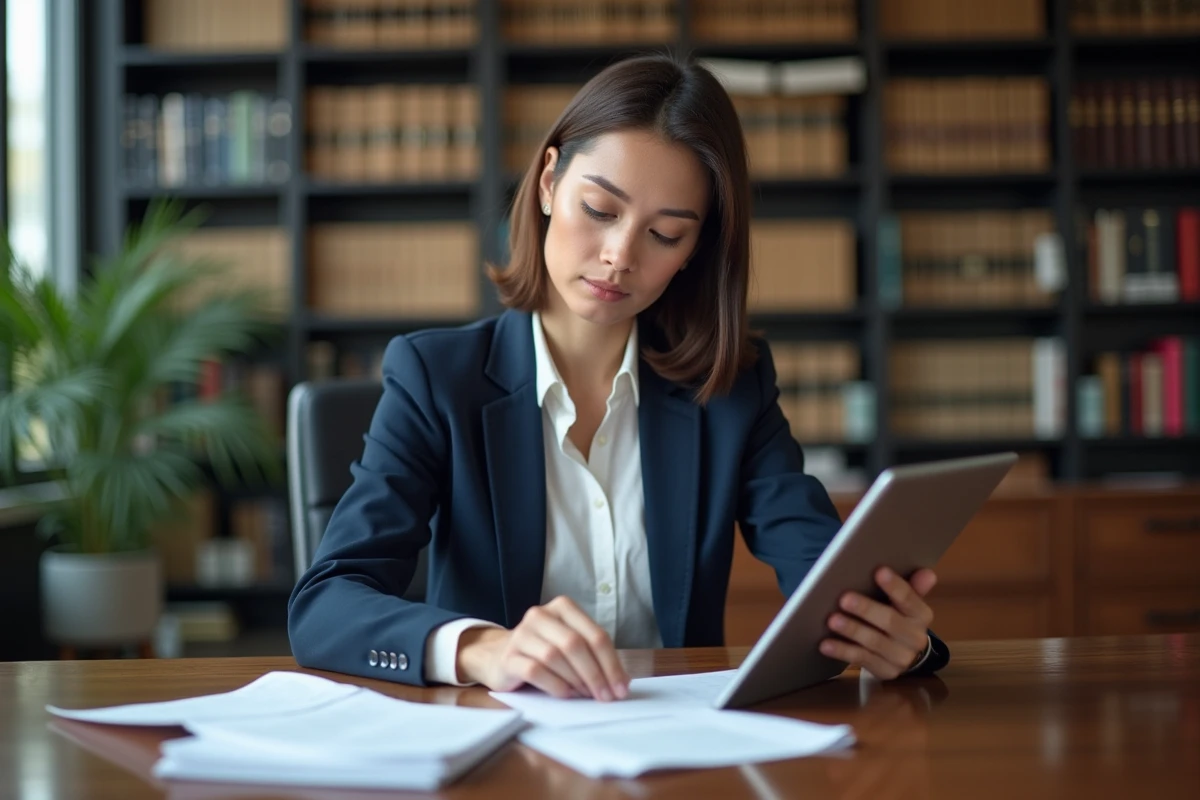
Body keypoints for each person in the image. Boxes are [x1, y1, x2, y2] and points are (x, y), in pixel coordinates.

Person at [288, 54, 948, 700]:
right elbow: (325, 605)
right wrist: (484, 648)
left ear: (696, 252)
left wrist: (902, 641)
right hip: (497, 745)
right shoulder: (437, 378)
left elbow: (825, 581)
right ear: (549, 182)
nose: (619, 256)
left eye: (664, 234)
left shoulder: (732, 388)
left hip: (673, 748)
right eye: (600, 210)